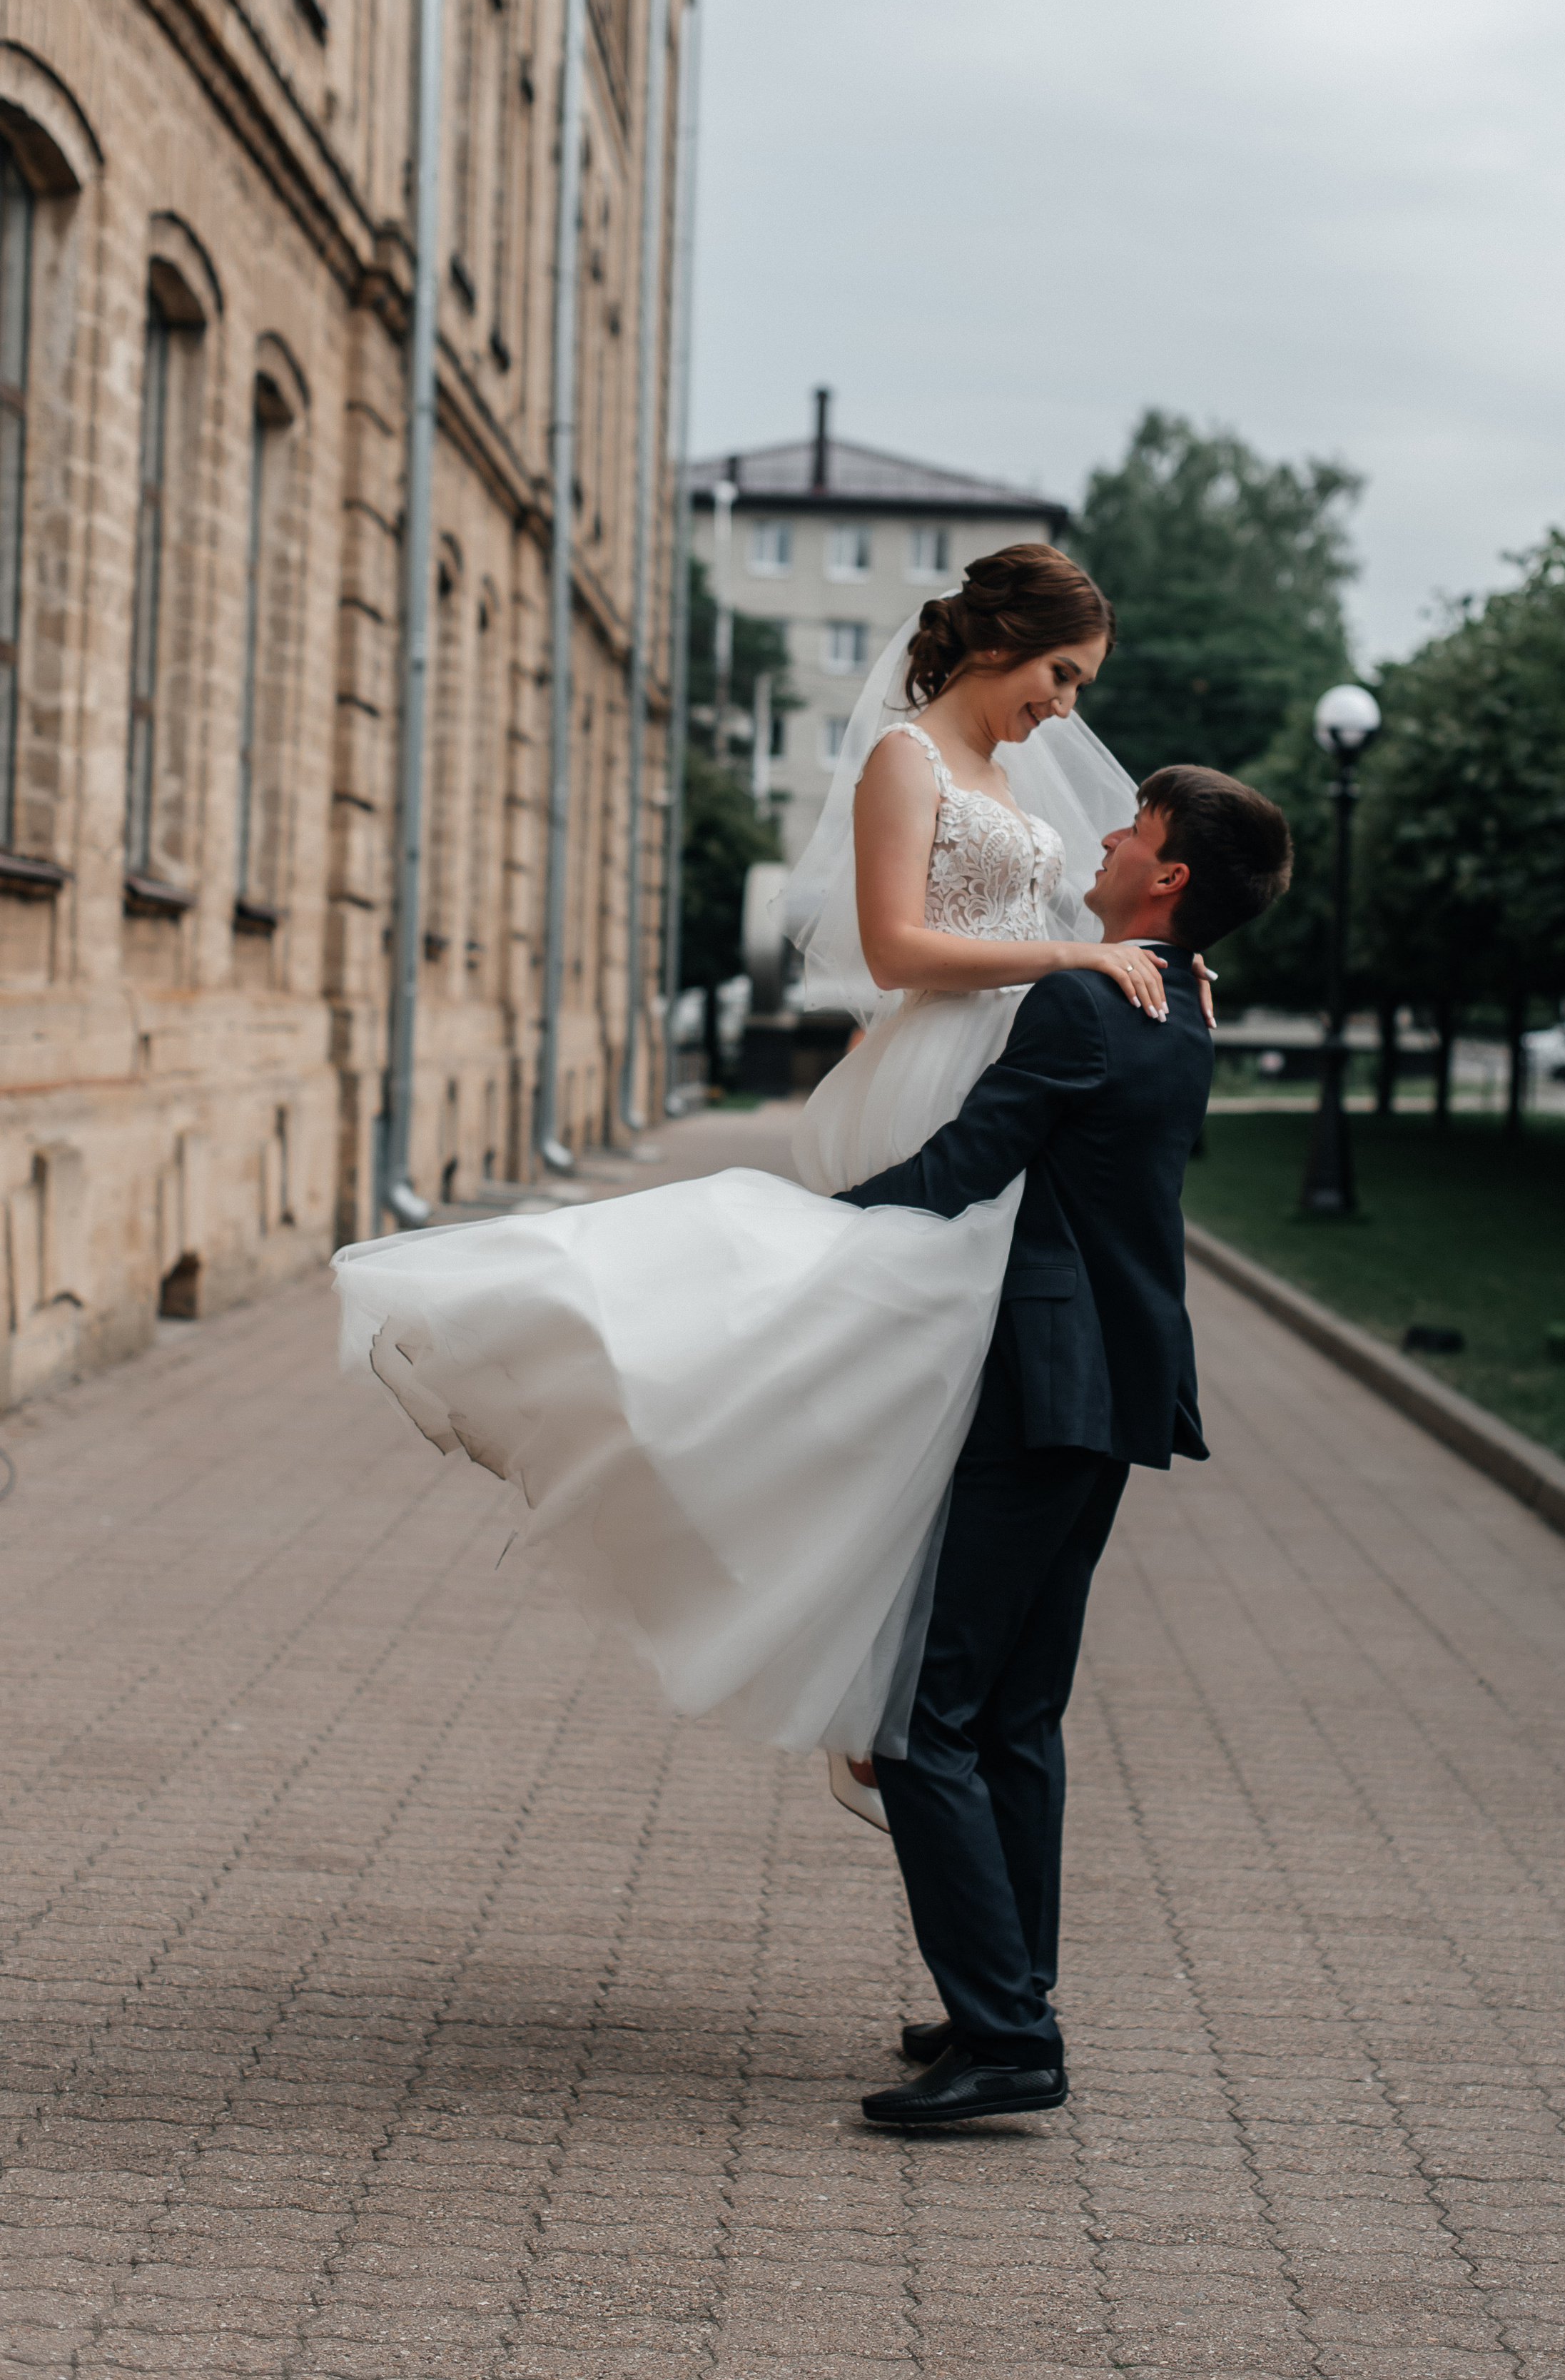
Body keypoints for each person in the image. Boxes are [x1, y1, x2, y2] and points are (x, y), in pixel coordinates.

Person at [333, 546, 1178, 1768]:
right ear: (999, 636)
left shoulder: (1002, 767)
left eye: (1083, 685)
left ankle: (902, 1668)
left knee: (962, 1388)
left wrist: (1139, 957)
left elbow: (1052, 919)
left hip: (1011, 1072)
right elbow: (893, 952)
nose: (1070, 705)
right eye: (1063, 672)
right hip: (937, 1075)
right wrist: (1070, 962)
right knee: (902, 1362)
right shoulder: (908, 757)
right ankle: (856, 1652)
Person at [831, 765, 1294, 2130]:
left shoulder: (1095, 993)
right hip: (1115, 1386)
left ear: (1168, 879)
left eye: (1134, 827)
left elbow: (966, 1165)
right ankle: (1009, 1994)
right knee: (1019, 1713)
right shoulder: (1186, 993)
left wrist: (801, 1224)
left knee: (928, 1719)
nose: (1103, 833)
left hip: (1045, 1386)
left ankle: (1010, 2037)